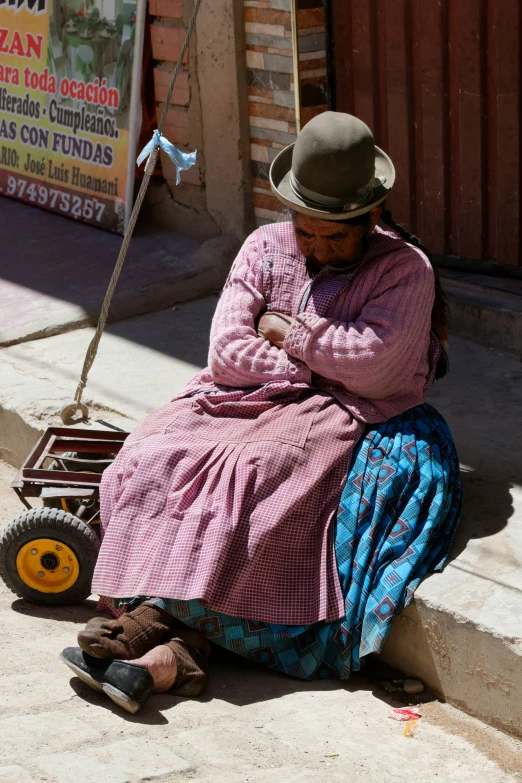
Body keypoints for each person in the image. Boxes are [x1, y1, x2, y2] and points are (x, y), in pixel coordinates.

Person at [61, 112, 461, 713]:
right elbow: (226, 352)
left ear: (370, 219)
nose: (320, 249)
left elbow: (373, 366)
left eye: (337, 237)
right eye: (308, 234)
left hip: (351, 408)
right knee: (153, 456)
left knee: (259, 474)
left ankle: (152, 630)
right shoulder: (263, 246)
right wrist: (314, 359)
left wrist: (288, 334)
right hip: (244, 394)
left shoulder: (405, 269)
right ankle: (170, 648)